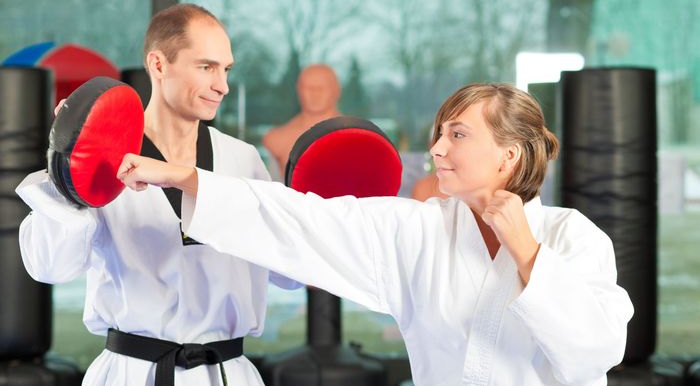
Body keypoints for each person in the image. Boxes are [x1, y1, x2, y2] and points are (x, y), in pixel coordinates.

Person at [118, 83, 634, 385]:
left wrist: (526, 252)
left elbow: (597, 349)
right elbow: (302, 217)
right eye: (439, 134)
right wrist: (183, 176)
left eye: (458, 135)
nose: (436, 150)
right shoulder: (419, 230)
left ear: (510, 153)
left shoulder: (574, 239)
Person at [16, 3, 299, 386]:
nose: (222, 85)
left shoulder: (242, 159)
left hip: (227, 373)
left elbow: (289, 273)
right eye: (206, 67)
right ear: (159, 64)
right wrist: (69, 169)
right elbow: (50, 267)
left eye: (226, 69)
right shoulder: (103, 159)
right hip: (132, 373)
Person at [262, 63, 341, 178]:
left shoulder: (358, 136)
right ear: (299, 91)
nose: (315, 94)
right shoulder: (277, 137)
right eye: (309, 88)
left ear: (335, 91)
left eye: (321, 88)